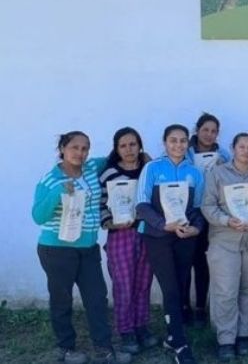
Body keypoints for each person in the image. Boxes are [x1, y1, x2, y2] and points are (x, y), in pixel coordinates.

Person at [32, 131, 132, 364]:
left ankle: (104, 348)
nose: (80, 153)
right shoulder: (50, 180)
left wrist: (143, 158)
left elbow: (115, 158)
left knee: (97, 297)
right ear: (63, 149)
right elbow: (38, 216)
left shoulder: (91, 168)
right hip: (57, 250)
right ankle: (66, 348)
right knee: (62, 299)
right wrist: (58, 192)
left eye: (85, 148)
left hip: (88, 248)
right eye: (75, 147)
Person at [202, 133, 248, 361]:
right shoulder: (218, 173)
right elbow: (207, 205)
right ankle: (226, 338)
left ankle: (244, 334)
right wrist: (226, 221)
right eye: (241, 146)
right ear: (233, 149)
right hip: (224, 240)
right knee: (225, 291)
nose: (246, 151)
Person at [136, 124, 205, 364]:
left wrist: (196, 228)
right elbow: (142, 205)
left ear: (188, 143)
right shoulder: (152, 168)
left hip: (184, 237)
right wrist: (162, 224)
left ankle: (172, 335)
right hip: (158, 237)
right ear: (165, 143)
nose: (178, 145)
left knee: (182, 283)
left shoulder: (195, 173)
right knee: (171, 288)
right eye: (173, 140)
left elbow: (197, 209)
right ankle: (179, 343)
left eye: (183, 140)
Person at [99, 127, 158, 355]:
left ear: (140, 146)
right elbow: (102, 204)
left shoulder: (148, 170)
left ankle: (141, 326)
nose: (128, 149)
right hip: (120, 234)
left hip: (147, 232)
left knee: (143, 282)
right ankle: (126, 331)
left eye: (133, 144)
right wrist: (111, 223)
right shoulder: (108, 174)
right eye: (123, 145)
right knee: (124, 284)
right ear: (116, 149)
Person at [184, 112, 230, 326]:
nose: (209, 134)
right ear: (197, 130)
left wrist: (223, 166)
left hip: (210, 213)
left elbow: (230, 180)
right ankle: (184, 306)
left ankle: (201, 307)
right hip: (186, 212)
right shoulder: (184, 152)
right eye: (205, 130)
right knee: (185, 261)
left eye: (213, 131)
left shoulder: (223, 155)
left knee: (203, 262)